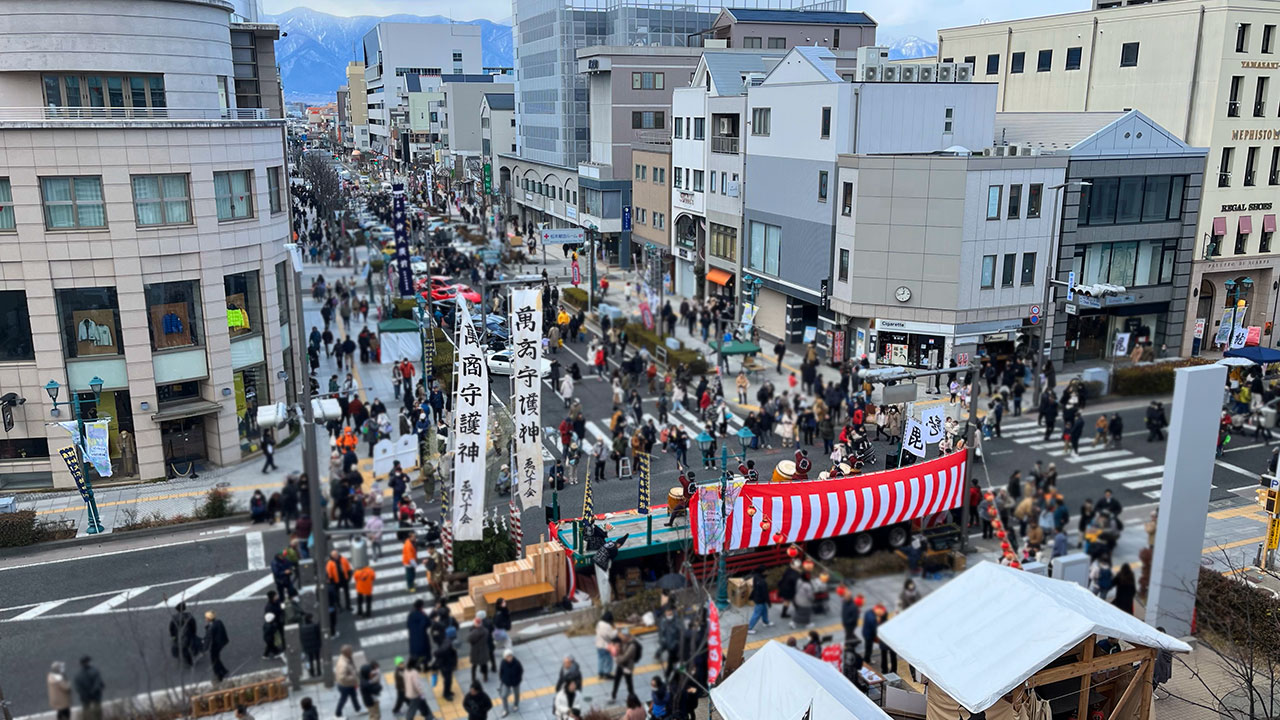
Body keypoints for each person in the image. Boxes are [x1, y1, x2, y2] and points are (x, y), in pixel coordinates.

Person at [611, 627, 640, 702]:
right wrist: (617, 649)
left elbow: (625, 657)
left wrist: (617, 659)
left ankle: (633, 698)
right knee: (616, 680)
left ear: (628, 636)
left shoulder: (632, 645)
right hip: (621, 665)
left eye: (623, 636)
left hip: (627, 666)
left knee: (629, 683)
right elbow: (620, 652)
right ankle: (613, 696)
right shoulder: (623, 642)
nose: (622, 638)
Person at [335, 644, 362, 717]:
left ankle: (358, 709)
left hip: (349, 684)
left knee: (354, 696)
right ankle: (338, 713)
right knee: (343, 699)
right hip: (345, 685)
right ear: (347, 653)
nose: (352, 652)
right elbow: (342, 677)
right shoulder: (344, 664)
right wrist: (353, 677)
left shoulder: (344, 657)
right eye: (351, 651)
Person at [169, 601, 199, 667]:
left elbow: (171, 628)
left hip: (178, 635)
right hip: (188, 634)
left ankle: (183, 656)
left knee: (181, 647)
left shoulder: (174, 617)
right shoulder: (188, 616)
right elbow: (193, 625)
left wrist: (173, 636)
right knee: (191, 644)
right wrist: (193, 632)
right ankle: (192, 657)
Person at [204, 610, 230, 682]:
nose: (205, 619)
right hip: (221, 643)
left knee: (214, 661)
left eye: (206, 618)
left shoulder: (211, 627)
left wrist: (204, 649)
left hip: (215, 645)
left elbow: (208, 638)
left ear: (208, 619)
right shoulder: (219, 622)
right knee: (217, 658)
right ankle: (224, 670)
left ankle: (219, 676)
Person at [498, 648, 523, 717]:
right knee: (503, 696)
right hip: (507, 682)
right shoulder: (503, 662)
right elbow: (501, 671)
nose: (509, 658)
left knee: (516, 693)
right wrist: (503, 679)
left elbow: (520, 671)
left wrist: (518, 679)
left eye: (510, 656)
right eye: (507, 656)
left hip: (516, 682)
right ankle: (506, 709)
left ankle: (516, 705)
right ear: (505, 657)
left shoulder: (517, 663)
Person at [468, 617, 493, 684]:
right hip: (483, 649)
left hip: (475, 650)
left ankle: (473, 678)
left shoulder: (474, 632)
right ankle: (485, 677)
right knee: (484, 664)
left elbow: (469, 639)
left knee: (474, 665)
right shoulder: (486, 630)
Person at [435, 633, 459, 701]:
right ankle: (446, 694)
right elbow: (436, 652)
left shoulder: (450, 642)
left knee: (449, 680)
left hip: (448, 665)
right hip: (445, 666)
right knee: (447, 680)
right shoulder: (447, 646)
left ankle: (448, 691)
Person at [747, 568, 772, 633]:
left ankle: (765, 622)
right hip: (760, 600)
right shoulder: (762, 582)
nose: (767, 572)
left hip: (757, 598)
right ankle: (749, 628)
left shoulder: (755, 577)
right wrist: (769, 602)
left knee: (764, 610)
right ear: (762, 572)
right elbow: (765, 593)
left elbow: (755, 587)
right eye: (766, 571)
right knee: (757, 614)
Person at [595, 610, 618, 678]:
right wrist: (617, 631)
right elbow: (612, 636)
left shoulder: (599, 623)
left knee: (600, 659)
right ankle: (607, 673)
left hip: (598, 644)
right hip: (605, 646)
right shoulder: (608, 626)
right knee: (609, 659)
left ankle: (600, 673)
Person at [300, 613, 322, 678]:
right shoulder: (315, 626)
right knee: (317, 659)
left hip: (308, 646)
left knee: (310, 659)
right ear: (310, 619)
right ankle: (319, 671)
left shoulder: (302, 628)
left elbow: (301, 638)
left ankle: (312, 672)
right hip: (316, 645)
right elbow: (319, 635)